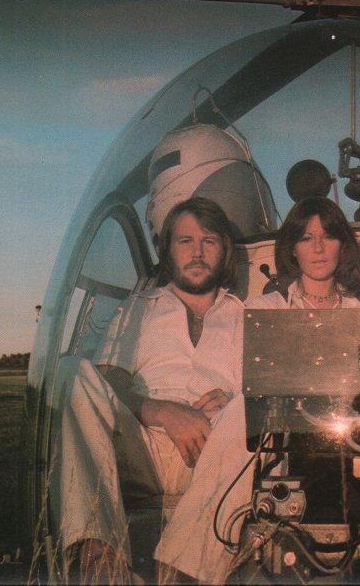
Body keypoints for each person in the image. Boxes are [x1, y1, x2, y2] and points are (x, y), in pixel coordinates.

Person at [154, 197, 360, 582]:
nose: (318, 248)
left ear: (342, 245)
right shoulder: (264, 308)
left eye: (328, 237)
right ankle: (184, 568)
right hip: (280, 441)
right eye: (306, 238)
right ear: (293, 249)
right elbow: (241, 381)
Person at [50, 196, 244, 583]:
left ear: (224, 250)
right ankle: (101, 558)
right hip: (140, 447)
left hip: (213, 454)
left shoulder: (244, 314)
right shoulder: (138, 308)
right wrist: (162, 411)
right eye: (185, 241)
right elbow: (108, 381)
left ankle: (178, 566)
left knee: (250, 407)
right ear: (167, 250)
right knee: (74, 370)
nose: (197, 252)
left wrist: (237, 398)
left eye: (209, 241)